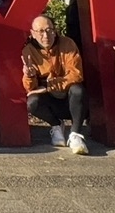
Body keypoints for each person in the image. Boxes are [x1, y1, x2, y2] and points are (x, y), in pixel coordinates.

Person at [21, 15, 88, 154]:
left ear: (55, 30)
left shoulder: (68, 44)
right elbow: (30, 88)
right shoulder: (28, 51)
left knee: (78, 90)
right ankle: (56, 125)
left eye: (49, 30)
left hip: (68, 96)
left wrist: (49, 86)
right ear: (32, 33)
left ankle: (75, 134)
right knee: (32, 103)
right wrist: (30, 75)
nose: (45, 35)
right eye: (40, 31)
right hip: (49, 99)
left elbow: (76, 74)